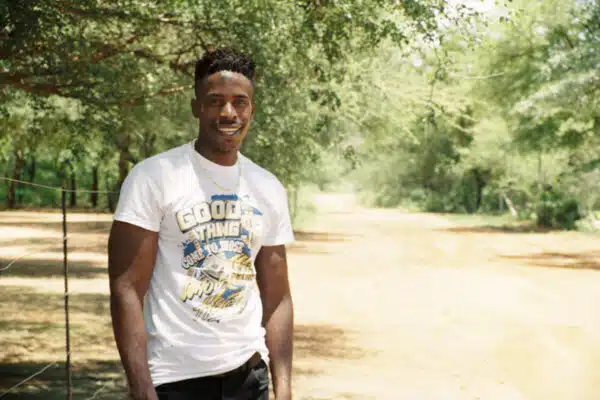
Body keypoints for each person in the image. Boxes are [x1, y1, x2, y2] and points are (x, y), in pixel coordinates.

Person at [108, 47, 295, 400]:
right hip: (174, 379)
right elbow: (126, 288)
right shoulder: (155, 176)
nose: (228, 112)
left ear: (251, 110)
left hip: (248, 375)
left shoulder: (267, 187)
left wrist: (283, 389)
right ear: (196, 107)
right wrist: (142, 389)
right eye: (215, 101)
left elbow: (278, 296)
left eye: (240, 102)